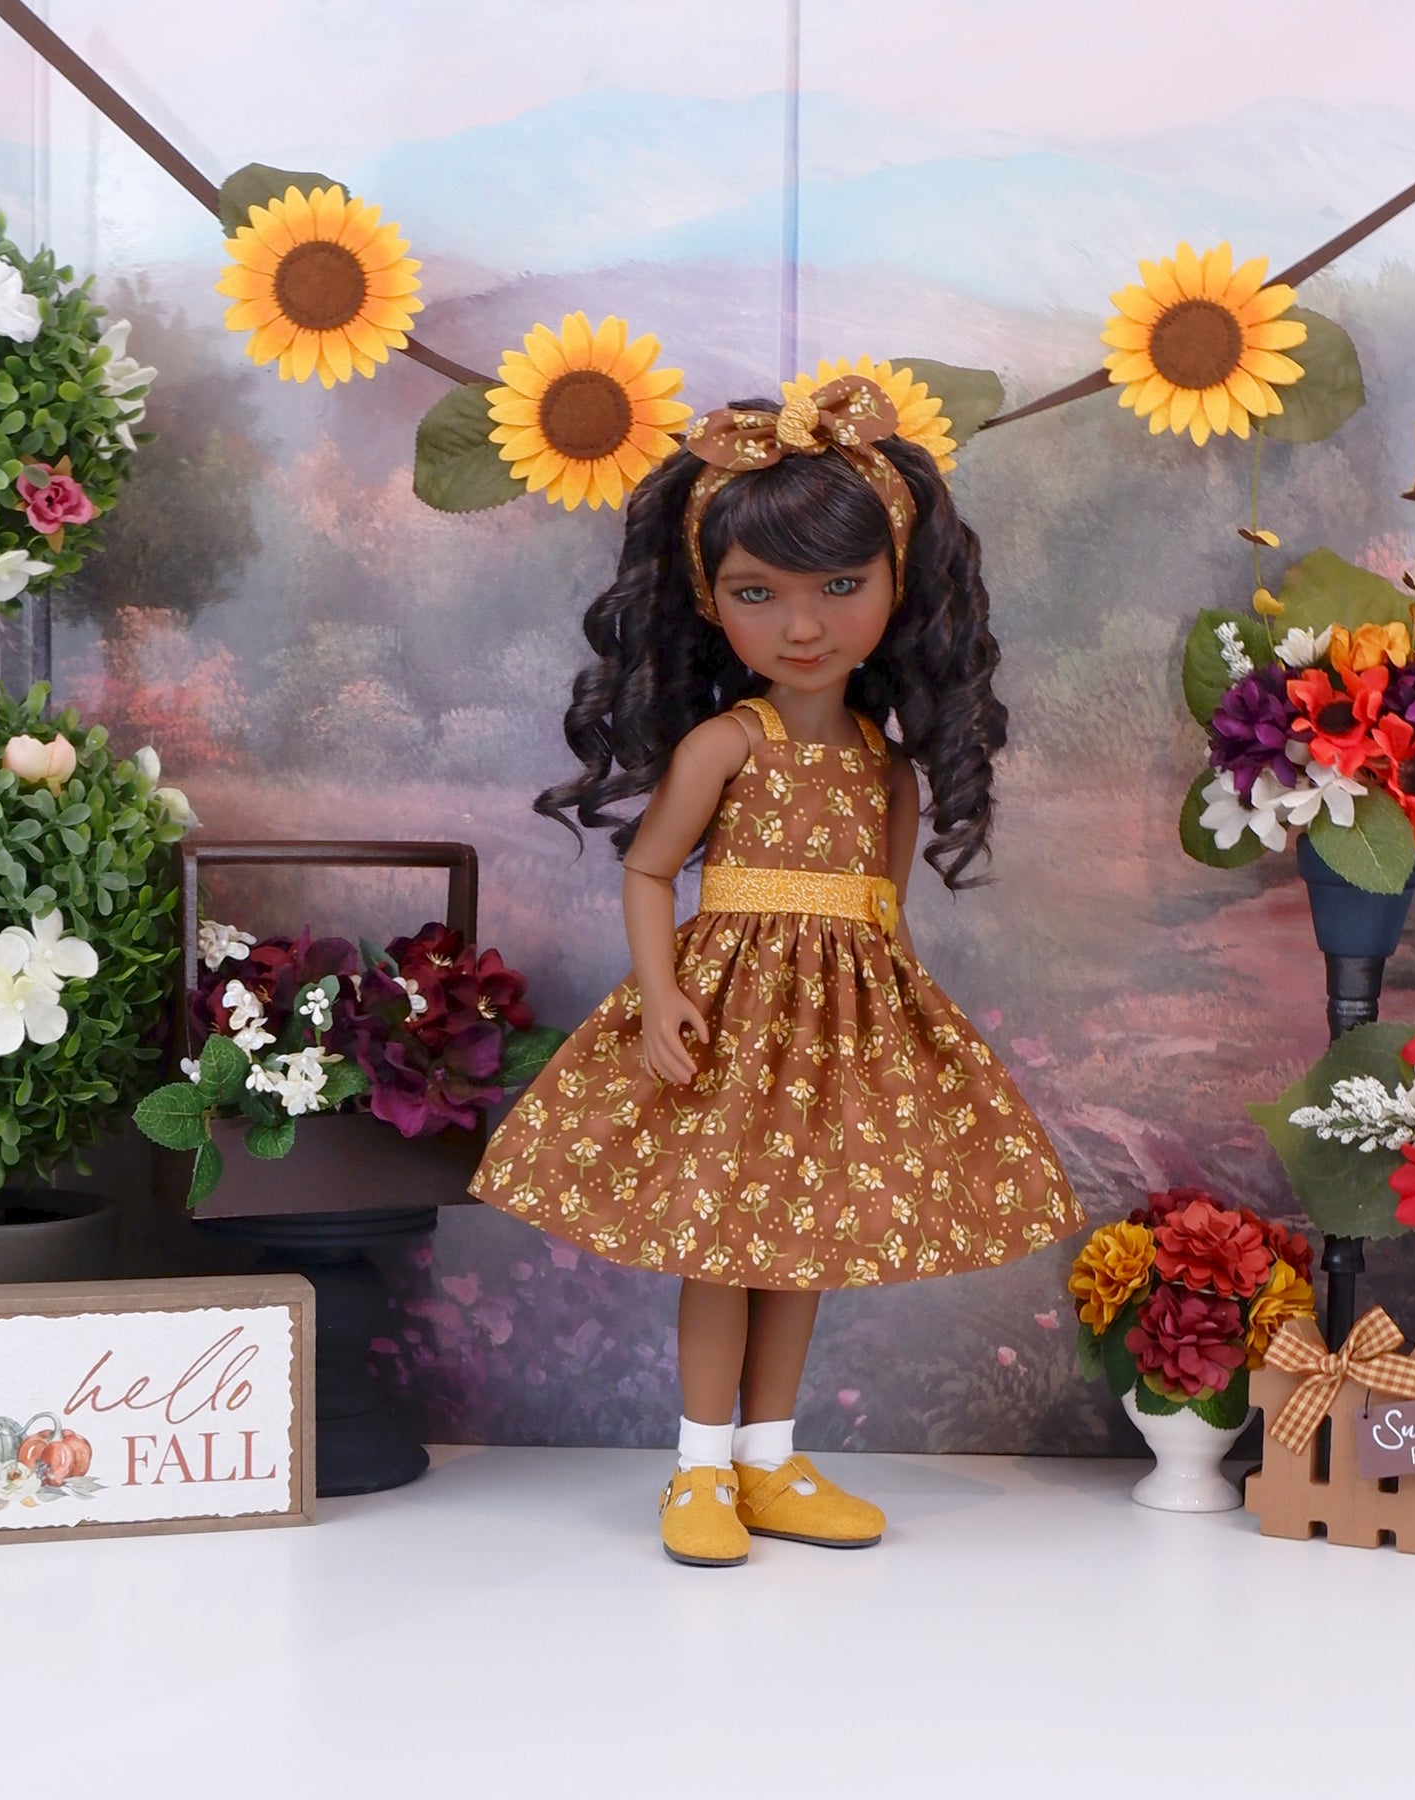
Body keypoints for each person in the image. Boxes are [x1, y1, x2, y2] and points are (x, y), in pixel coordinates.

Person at [471, 374, 1083, 1566]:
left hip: (834, 1042)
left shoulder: (887, 770)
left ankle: (769, 1458)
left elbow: (882, 916)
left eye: (840, 588)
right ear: (712, 602)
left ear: (899, 587)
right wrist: (662, 996)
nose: (803, 627)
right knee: (721, 1245)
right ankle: (701, 1466)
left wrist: (899, 1035)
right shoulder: (725, 744)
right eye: (759, 595)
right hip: (728, 1027)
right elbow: (650, 870)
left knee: (805, 1243)